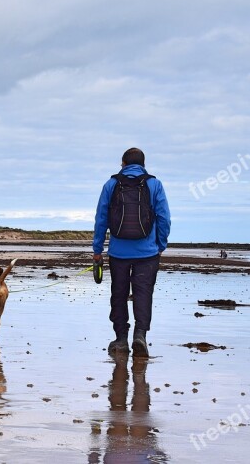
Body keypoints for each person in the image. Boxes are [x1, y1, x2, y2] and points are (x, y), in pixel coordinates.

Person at [93, 148, 171, 357]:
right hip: (147, 253)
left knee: (118, 294)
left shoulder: (111, 184)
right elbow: (164, 218)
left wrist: (97, 249)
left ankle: (120, 339)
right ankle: (140, 335)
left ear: (123, 163)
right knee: (143, 294)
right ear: (143, 164)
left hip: (118, 253)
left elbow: (101, 218)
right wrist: (160, 244)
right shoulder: (154, 184)